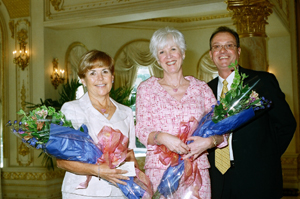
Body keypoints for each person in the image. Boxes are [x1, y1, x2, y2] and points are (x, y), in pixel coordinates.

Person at [135, 27, 226, 198]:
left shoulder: (201, 89)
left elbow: (223, 130)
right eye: (162, 51)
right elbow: (140, 130)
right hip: (160, 171)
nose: (168, 56)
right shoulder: (146, 89)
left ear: (183, 53)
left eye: (173, 49)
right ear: (157, 58)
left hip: (196, 171)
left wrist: (209, 142)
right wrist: (162, 137)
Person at [207, 26, 297, 199]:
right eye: (217, 46)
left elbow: (286, 124)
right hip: (217, 180)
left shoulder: (261, 82)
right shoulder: (204, 90)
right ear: (211, 54)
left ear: (238, 51)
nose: (223, 51)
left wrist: (266, 157)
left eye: (229, 45)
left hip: (257, 178)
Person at [56, 50, 138, 199]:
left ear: (112, 77)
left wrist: (137, 184)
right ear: (83, 79)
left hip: (120, 192)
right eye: (92, 73)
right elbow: (61, 162)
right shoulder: (71, 109)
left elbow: (130, 155)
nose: (100, 78)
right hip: (81, 193)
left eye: (104, 71)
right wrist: (98, 170)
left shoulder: (125, 112)